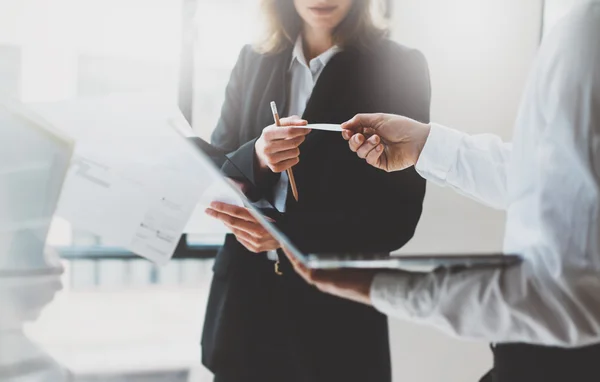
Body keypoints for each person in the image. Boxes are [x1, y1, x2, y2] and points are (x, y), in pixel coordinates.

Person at [283, 1, 600, 381]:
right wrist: (426, 145)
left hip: (564, 363)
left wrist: (382, 287)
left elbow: (569, 294)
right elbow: (546, 177)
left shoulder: (587, 37)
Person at [200, 0, 430, 381]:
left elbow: (396, 218)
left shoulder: (399, 67)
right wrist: (256, 155)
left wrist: (282, 237)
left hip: (336, 328)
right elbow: (217, 171)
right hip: (242, 318)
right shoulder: (252, 59)